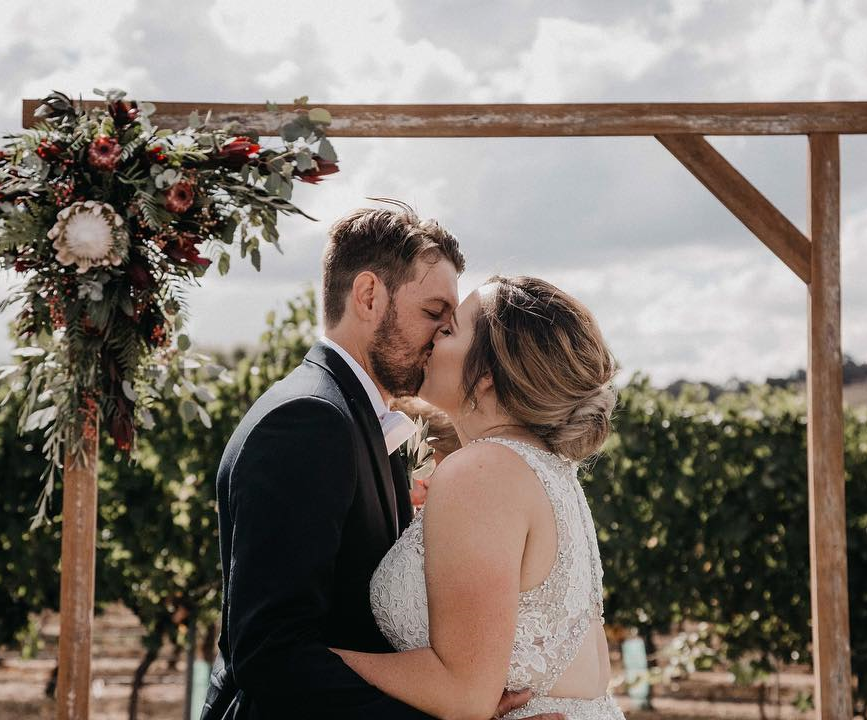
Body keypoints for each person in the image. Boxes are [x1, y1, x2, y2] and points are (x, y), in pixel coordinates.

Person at [200, 204, 560, 720]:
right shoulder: (308, 420)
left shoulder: (357, 417)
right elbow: (273, 655)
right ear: (369, 296)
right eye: (433, 313)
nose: (442, 337)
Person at [333, 275, 627, 720]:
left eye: (450, 330)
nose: (433, 337)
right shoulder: (546, 469)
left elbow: (463, 693)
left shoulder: (480, 472)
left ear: (487, 374)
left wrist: (309, 660)